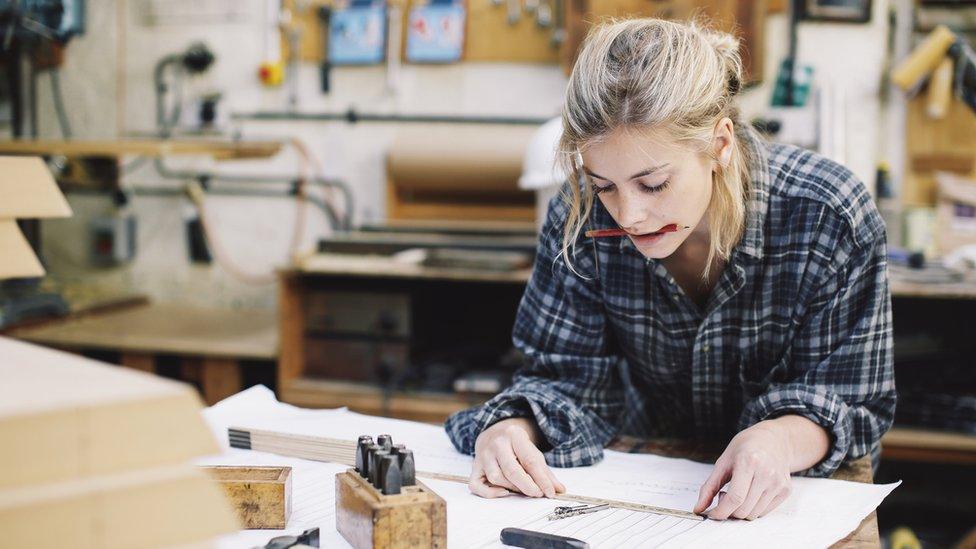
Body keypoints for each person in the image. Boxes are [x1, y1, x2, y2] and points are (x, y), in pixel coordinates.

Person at [444, 18, 896, 521]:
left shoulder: (827, 217)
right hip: (646, 491)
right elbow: (566, 379)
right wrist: (513, 429)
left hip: (800, 502)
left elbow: (853, 400)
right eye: (604, 185)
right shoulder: (579, 220)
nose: (629, 214)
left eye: (653, 183)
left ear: (720, 145)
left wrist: (774, 441)